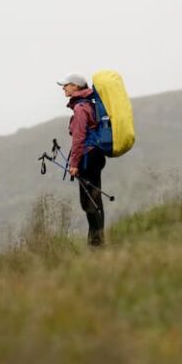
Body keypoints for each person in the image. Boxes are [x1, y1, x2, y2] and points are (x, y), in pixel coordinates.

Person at [57, 72, 106, 247]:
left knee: (88, 202)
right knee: (95, 197)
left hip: (87, 157)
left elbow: (78, 138)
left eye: (66, 85)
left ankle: (97, 244)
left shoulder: (80, 109)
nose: (63, 88)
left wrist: (74, 165)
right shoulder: (90, 105)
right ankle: (97, 240)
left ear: (76, 86)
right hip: (97, 155)